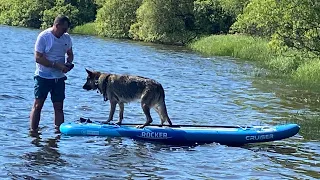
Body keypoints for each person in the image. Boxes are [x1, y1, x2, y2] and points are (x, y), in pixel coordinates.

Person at [30, 15, 74, 133]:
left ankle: (58, 134)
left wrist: (68, 63)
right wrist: (56, 65)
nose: (65, 32)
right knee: (38, 105)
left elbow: (70, 54)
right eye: (63, 29)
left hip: (59, 78)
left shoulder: (66, 38)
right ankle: (33, 133)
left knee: (58, 107)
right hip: (43, 76)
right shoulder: (44, 37)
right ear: (57, 26)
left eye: (66, 30)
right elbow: (38, 58)